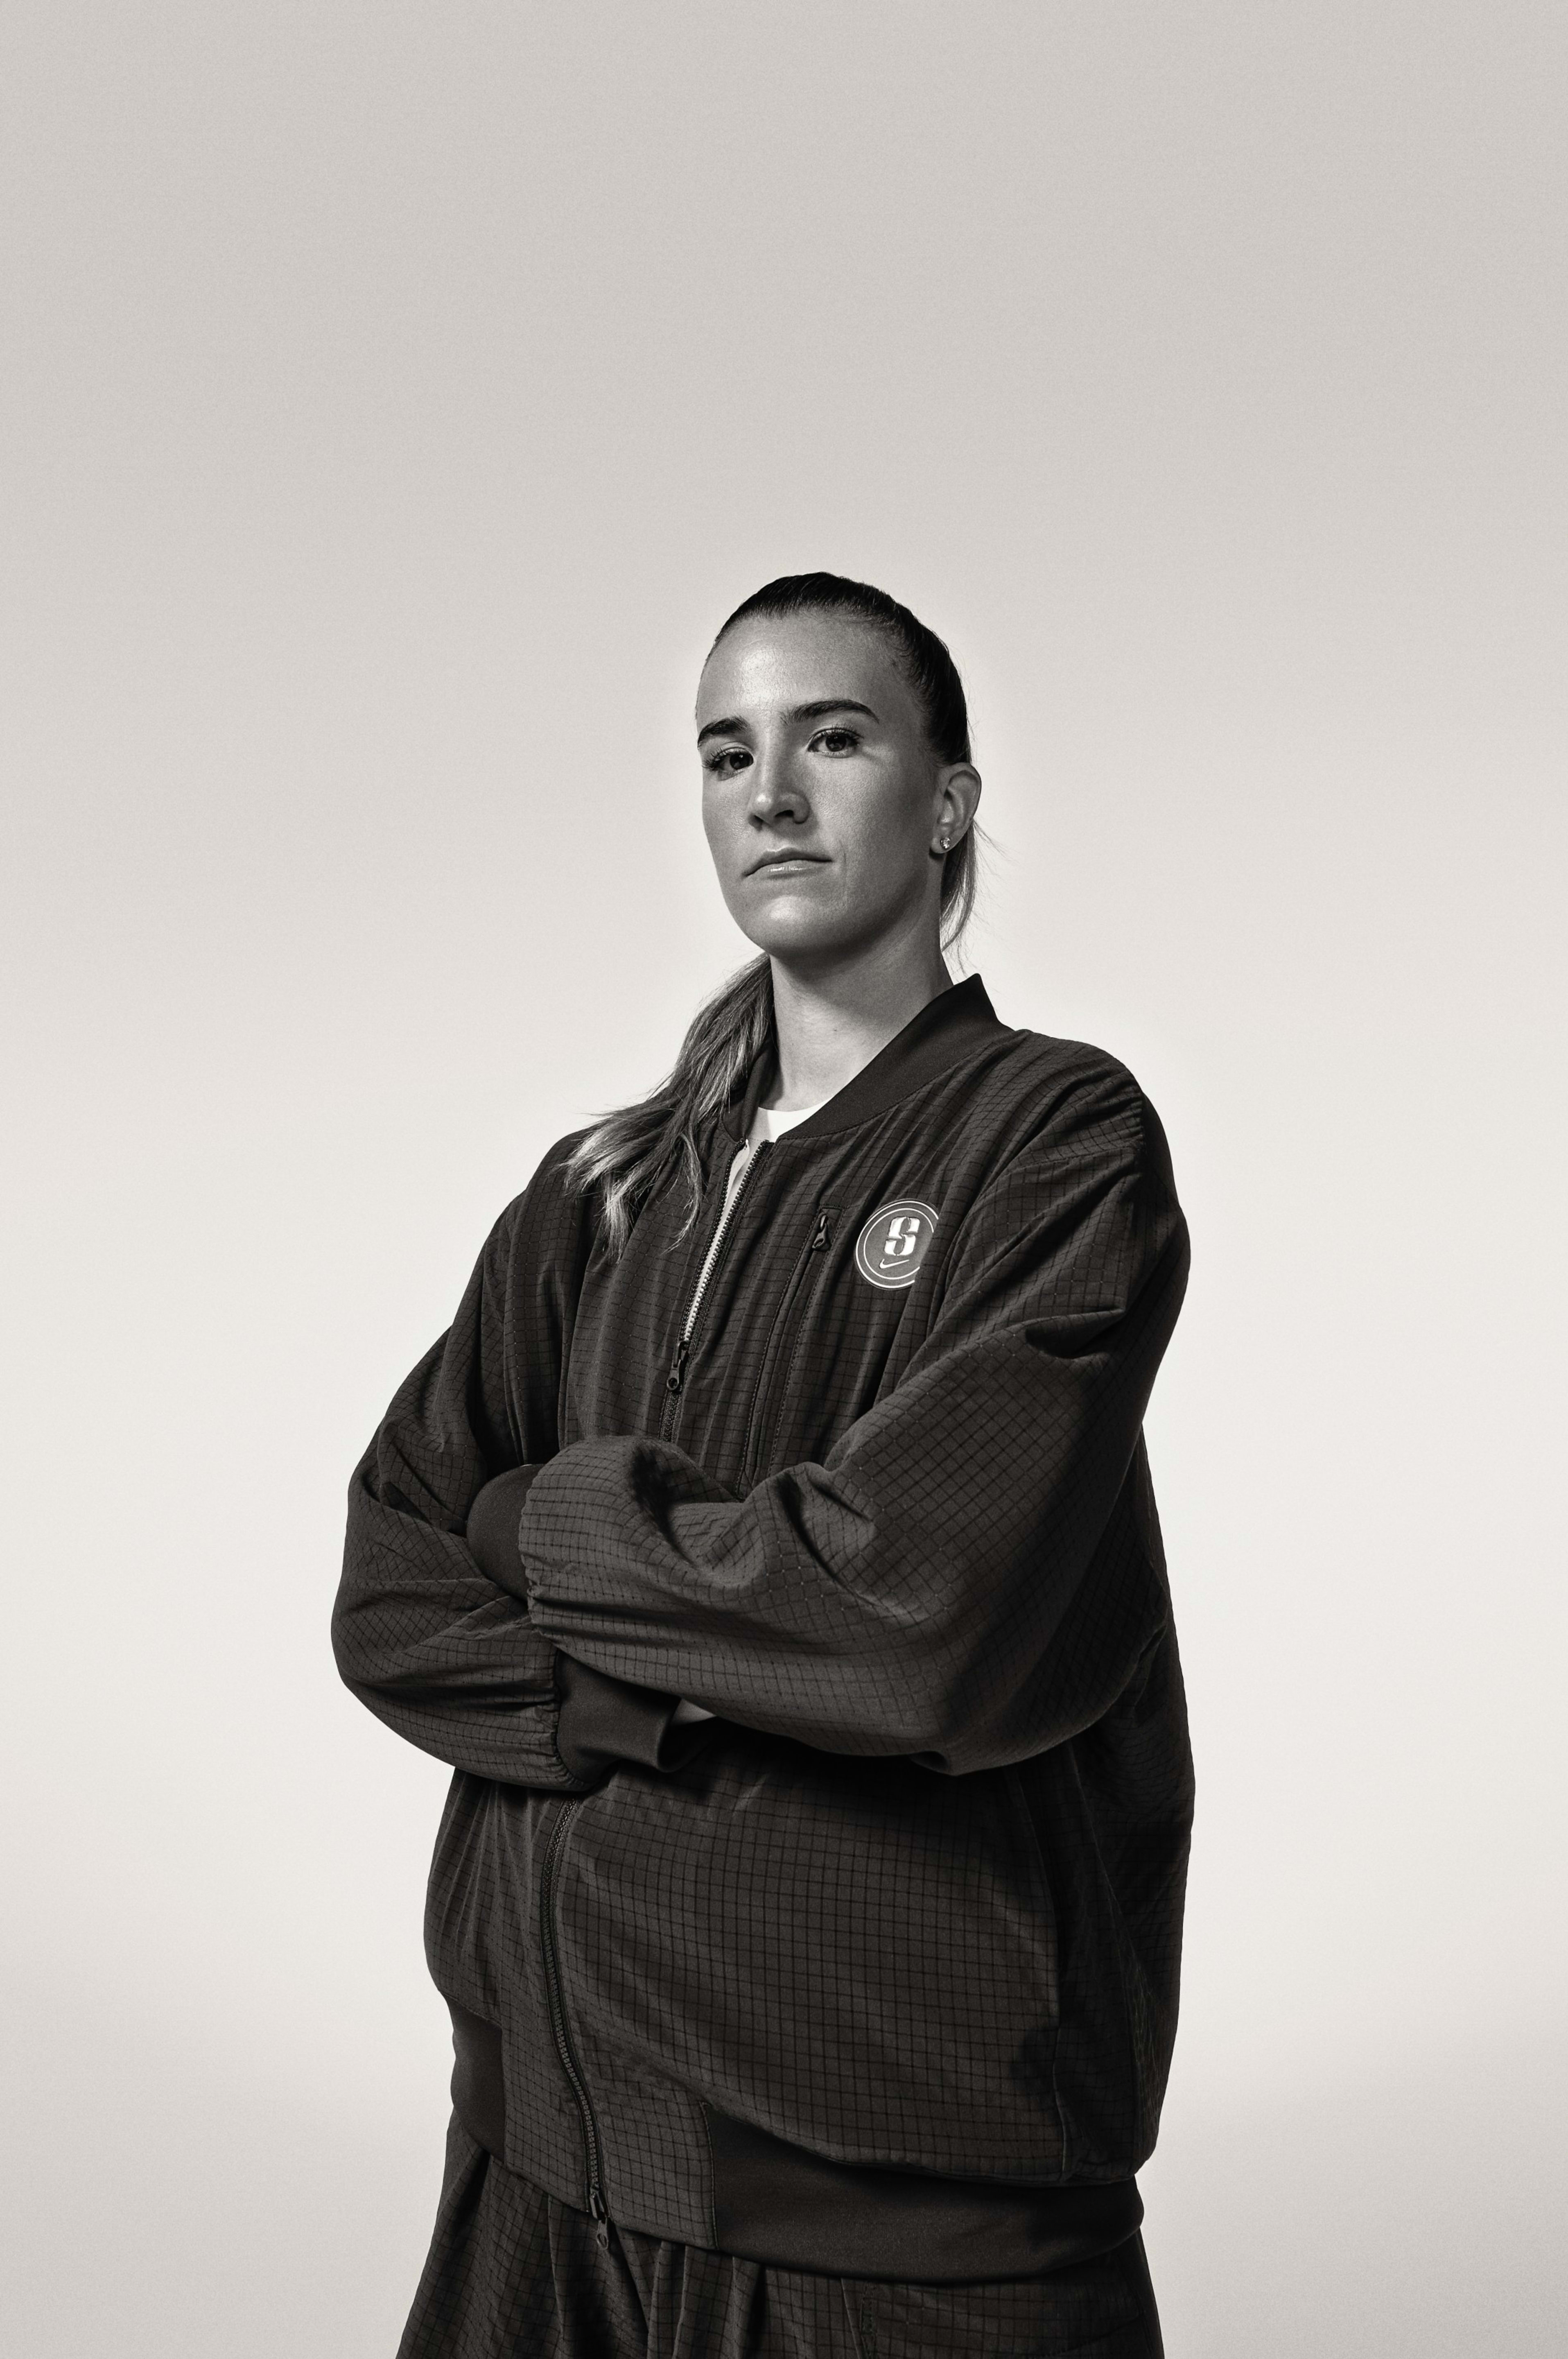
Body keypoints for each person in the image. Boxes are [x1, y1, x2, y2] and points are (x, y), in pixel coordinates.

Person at [334, 572, 1192, 2358]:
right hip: (542, 2174)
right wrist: (660, 1685)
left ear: (947, 802)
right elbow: (394, 1578)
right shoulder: (608, 1189)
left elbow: (907, 1617)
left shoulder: (1055, 1140)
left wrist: (543, 1521)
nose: (771, 794)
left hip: (896, 2237)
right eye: (729, 753)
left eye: (836, 737)